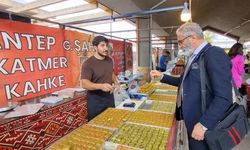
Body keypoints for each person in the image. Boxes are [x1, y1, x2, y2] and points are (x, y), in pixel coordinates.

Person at [150, 22, 232, 150]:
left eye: (180, 41)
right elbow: (184, 83)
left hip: (203, 124)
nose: (180, 45)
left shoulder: (213, 54)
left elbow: (224, 97)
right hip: (192, 121)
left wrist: (204, 124)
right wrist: (161, 76)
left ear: (193, 37)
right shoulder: (194, 57)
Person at [81, 36, 119, 121]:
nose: (106, 48)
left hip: (109, 97)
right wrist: (101, 86)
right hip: (95, 100)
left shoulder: (109, 60)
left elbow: (111, 72)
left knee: (111, 121)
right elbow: (84, 83)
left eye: (106, 45)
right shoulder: (88, 64)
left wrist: (116, 83)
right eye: (102, 45)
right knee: (96, 126)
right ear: (95, 47)